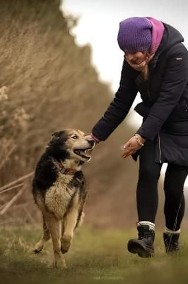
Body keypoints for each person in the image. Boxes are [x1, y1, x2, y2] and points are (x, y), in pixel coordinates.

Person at [87, 17, 188, 258]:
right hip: (154, 123)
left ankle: (172, 240)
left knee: (174, 187)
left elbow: (167, 101)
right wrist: (95, 135)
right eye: (125, 51)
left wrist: (141, 137)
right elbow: (122, 100)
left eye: (135, 51)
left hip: (183, 126)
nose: (131, 57)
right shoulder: (130, 62)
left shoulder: (178, 55)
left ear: (149, 45)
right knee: (148, 172)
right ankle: (146, 240)